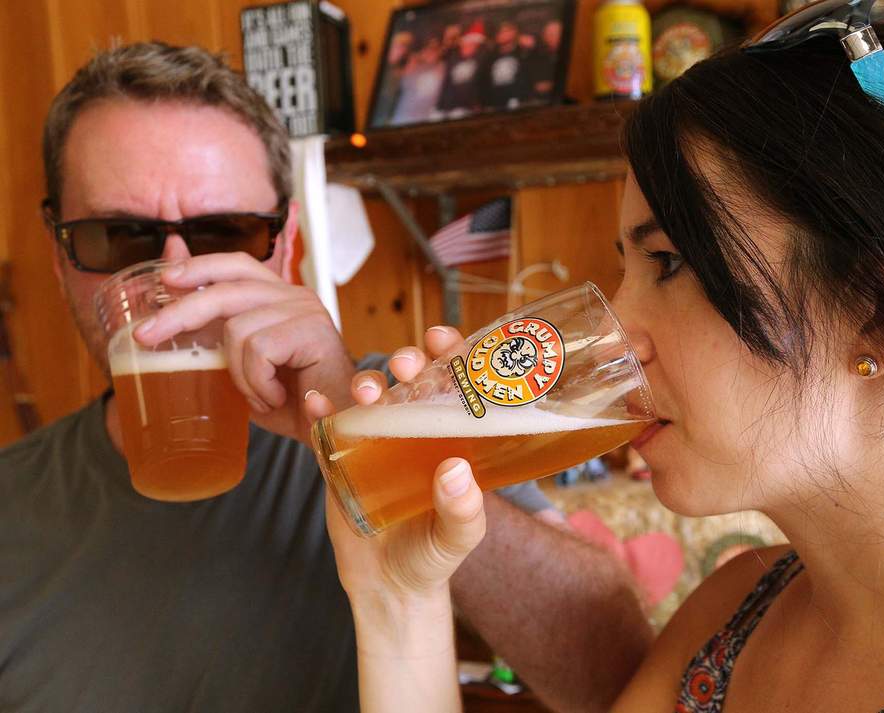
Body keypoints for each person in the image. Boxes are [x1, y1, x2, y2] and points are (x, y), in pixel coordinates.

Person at [312, 18, 884, 713]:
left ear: (882, 312)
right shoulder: (733, 616)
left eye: (669, 262)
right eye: (627, 269)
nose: (618, 334)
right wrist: (398, 600)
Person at [0, 43, 653, 713]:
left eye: (226, 231)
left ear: (285, 250)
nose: (174, 282)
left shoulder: (391, 404)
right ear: (60, 257)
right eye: (119, 235)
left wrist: (362, 430)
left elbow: (617, 674)